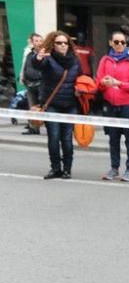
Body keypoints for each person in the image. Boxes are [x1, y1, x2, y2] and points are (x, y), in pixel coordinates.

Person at [97, 31, 129, 182]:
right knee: (113, 138)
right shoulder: (105, 60)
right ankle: (114, 168)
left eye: (123, 42)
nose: (120, 45)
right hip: (110, 104)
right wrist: (104, 83)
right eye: (116, 42)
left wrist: (118, 83)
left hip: (128, 105)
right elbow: (98, 82)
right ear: (111, 42)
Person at [35, 31, 81, 179]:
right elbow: (37, 65)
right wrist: (38, 58)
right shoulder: (48, 59)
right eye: (59, 43)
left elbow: (82, 77)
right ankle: (55, 168)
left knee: (67, 139)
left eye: (65, 43)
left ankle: (67, 169)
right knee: (53, 137)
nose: (62, 45)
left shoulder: (75, 60)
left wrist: (81, 89)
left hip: (70, 104)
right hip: (52, 104)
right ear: (53, 45)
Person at [20, 33, 43, 135]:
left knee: (45, 106)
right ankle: (33, 128)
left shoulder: (45, 54)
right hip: (30, 85)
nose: (38, 43)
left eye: (40, 41)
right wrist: (23, 78)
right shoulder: (29, 54)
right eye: (36, 41)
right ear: (32, 43)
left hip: (41, 85)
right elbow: (25, 67)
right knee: (32, 106)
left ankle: (52, 127)